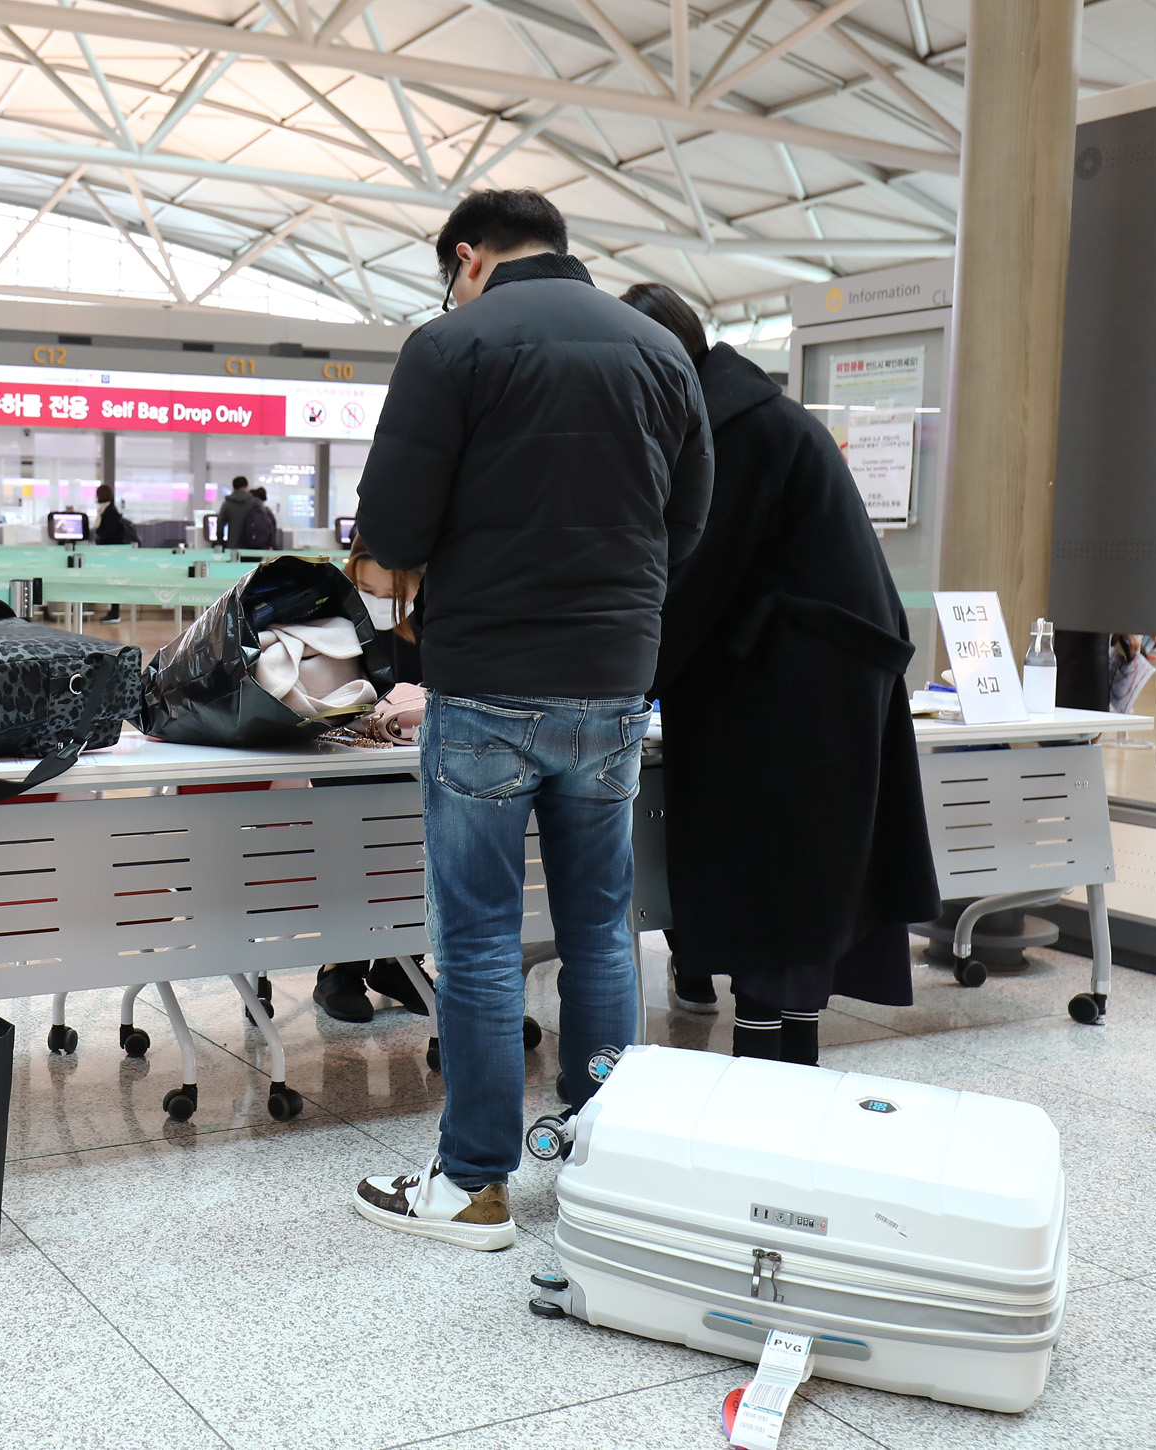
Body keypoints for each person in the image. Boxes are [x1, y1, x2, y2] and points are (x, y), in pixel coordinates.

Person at [348, 188, 712, 1250]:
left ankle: (471, 1186)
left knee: (475, 936)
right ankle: (601, 1165)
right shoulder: (656, 348)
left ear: (466, 257)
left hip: (487, 682)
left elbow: (393, 531)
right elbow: (684, 523)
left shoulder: (449, 345)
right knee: (602, 926)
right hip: (609, 681)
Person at [621, 282, 939, 1063]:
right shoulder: (746, 413)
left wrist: (617, 681)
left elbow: (695, 579)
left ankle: (769, 1076)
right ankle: (786, 1062)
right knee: (801, 893)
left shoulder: (734, 431)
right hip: (812, 683)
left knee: (778, 888)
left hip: (791, 698)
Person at [313, 534, 433, 1022]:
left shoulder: (431, 627)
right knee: (346, 848)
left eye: (388, 595)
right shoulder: (330, 627)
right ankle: (340, 962)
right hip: (343, 771)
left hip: (406, 774)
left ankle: (398, 959)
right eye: (364, 588)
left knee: (407, 851)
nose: (376, 602)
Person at [93, 483, 137, 623]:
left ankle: (114, 612)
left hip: (113, 554)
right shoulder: (108, 510)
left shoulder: (109, 512)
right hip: (114, 553)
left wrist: (99, 539)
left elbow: (107, 534)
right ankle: (113, 612)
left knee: (113, 581)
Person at [216, 476, 259, 549]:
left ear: (233, 488)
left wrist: (220, 543)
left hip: (232, 547)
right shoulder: (256, 503)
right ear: (246, 487)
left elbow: (220, 525)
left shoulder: (227, 504)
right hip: (253, 547)